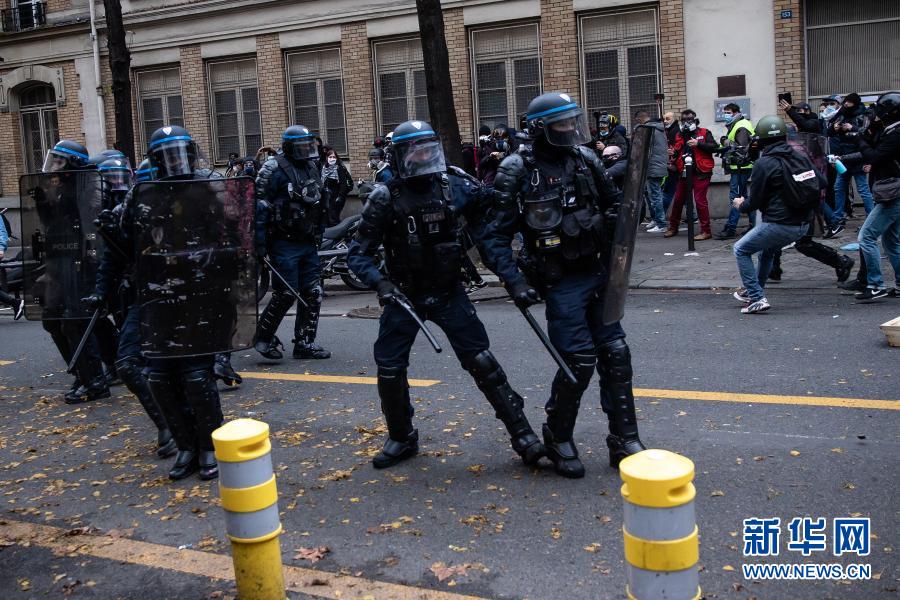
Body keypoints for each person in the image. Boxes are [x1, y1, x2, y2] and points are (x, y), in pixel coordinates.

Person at [347, 119, 545, 470]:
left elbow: (489, 234)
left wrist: (513, 279)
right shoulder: (385, 197)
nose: (423, 157)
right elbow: (358, 254)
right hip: (405, 296)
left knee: (482, 362)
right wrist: (381, 284)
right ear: (399, 156)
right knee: (390, 368)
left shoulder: (455, 186)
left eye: (428, 150)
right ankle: (401, 437)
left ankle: (523, 435)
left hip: (449, 291)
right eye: (415, 151)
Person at [482, 92, 648, 478]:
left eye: (573, 120)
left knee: (616, 354)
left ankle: (624, 439)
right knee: (579, 361)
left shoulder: (585, 159)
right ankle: (558, 436)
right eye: (562, 123)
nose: (571, 128)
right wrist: (514, 281)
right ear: (540, 128)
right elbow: (493, 237)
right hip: (560, 280)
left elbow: (615, 205)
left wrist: (620, 224)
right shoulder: (516, 169)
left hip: (597, 271)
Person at [118, 125, 228, 479]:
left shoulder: (207, 188)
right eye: (166, 156)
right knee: (161, 377)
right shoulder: (141, 194)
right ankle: (185, 446)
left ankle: (209, 446)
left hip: (197, 294)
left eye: (179, 153)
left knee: (197, 376)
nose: (175, 161)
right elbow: (126, 244)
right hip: (156, 295)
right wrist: (112, 230)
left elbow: (229, 237)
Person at [83, 157, 177, 459]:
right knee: (128, 363)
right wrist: (101, 292)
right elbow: (112, 261)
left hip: (183, 297)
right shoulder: (125, 212)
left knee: (188, 369)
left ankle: (195, 435)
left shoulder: (188, 206)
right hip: (144, 295)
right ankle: (167, 425)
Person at [33, 140, 113, 403]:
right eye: (53, 159)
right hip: (60, 260)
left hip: (83, 262)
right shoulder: (59, 187)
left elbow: (91, 221)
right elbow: (53, 226)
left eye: (59, 161)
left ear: (73, 164)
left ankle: (95, 381)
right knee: (52, 320)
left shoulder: (90, 183)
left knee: (75, 320)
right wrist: (44, 203)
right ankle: (82, 372)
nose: (54, 166)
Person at [731, 116, 823, 313]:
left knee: (740, 249)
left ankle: (757, 297)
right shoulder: (800, 156)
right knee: (767, 251)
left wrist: (740, 204)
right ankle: (753, 290)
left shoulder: (764, 163)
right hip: (803, 223)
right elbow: (822, 181)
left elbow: (754, 202)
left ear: (761, 140)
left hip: (779, 223)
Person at [254, 125, 331, 360]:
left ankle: (305, 343)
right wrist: (259, 244)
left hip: (307, 239)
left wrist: (318, 230)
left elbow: (318, 200)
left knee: (313, 292)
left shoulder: (311, 166)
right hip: (283, 241)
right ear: (289, 147)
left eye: (309, 145)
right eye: (301, 147)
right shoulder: (272, 168)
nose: (306, 150)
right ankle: (263, 338)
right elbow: (258, 206)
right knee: (286, 293)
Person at [831, 91, 900, 300]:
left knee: (866, 236)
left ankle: (875, 284)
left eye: (880, 112)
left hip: (892, 194)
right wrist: (866, 133)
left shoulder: (896, 134)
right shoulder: (889, 130)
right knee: (891, 242)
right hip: (890, 191)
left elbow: (874, 156)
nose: (876, 115)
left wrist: (860, 138)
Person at [824, 93, 875, 237]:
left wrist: (852, 127)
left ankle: (871, 219)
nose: (846, 104)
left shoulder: (863, 114)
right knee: (839, 188)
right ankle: (838, 219)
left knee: (863, 189)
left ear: (855, 103)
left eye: (850, 102)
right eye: (846, 102)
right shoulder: (841, 114)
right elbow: (828, 133)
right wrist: (835, 128)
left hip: (858, 157)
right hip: (843, 158)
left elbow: (867, 134)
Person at [664, 109, 716, 240]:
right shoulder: (680, 135)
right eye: (684, 120)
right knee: (678, 200)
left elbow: (714, 147)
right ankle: (673, 227)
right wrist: (673, 153)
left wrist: (699, 143)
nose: (687, 122)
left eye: (689, 119)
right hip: (684, 172)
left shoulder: (704, 132)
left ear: (695, 120)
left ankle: (706, 231)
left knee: (700, 201)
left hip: (701, 172)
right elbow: (677, 150)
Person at [716, 103, 756, 239]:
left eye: (728, 112)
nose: (725, 115)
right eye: (725, 112)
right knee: (744, 197)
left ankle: (731, 228)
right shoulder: (737, 124)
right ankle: (753, 226)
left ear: (736, 112)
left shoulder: (741, 126)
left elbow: (741, 149)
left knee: (735, 198)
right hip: (739, 167)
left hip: (741, 168)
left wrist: (725, 142)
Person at [634, 110, 669, 232]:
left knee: (655, 196)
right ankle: (656, 220)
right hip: (658, 165)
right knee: (652, 195)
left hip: (653, 166)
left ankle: (661, 224)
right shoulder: (658, 128)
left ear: (639, 119)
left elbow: (642, 147)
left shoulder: (648, 129)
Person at [320, 147, 353, 226]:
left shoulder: (339, 168)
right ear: (326, 158)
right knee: (327, 218)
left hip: (336, 197)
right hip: (327, 197)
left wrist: (340, 196)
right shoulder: (324, 168)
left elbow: (343, 184)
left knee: (333, 218)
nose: (332, 159)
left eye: (334, 157)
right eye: (330, 157)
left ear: (337, 158)